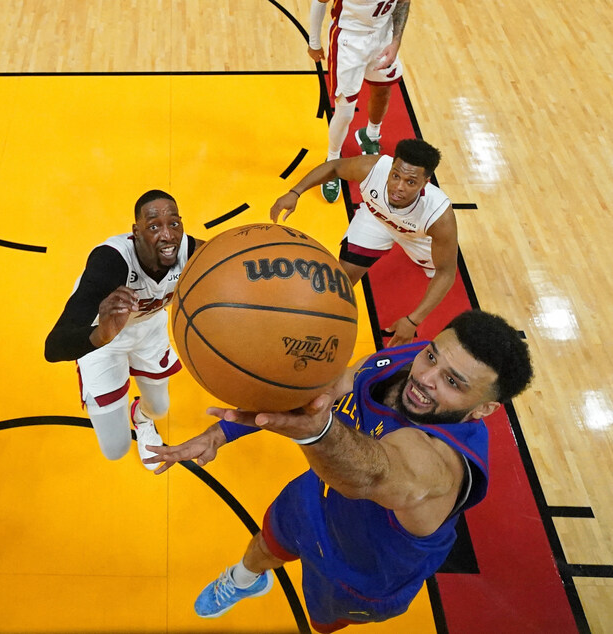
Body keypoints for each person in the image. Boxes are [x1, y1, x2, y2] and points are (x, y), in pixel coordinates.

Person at [145, 310, 533, 631]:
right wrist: (223, 431)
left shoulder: (444, 466)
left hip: (360, 568)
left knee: (319, 622)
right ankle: (244, 581)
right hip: (312, 501)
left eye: (452, 382)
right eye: (432, 356)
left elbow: (374, 475)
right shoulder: (409, 361)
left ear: (483, 409)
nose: (425, 378)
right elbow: (336, 385)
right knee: (265, 543)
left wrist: (317, 432)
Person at [44, 190, 204, 470]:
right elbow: (53, 347)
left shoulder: (191, 250)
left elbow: (239, 260)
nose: (167, 236)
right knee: (115, 449)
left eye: (174, 223)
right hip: (100, 340)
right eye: (154, 226)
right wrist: (100, 335)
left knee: (158, 409)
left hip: (148, 330)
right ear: (136, 231)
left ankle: (140, 417)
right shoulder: (110, 262)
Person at [271, 138, 455, 347]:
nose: (398, 187)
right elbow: (334, 167)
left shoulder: (438, 215)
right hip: (376, 220)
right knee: (340, 282)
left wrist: (413, 320)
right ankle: (317, 329)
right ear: (391, 167)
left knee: (435, 269)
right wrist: (295, 192)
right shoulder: (372, 168)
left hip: (417, 237)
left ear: (426, 181)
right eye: (395, 176)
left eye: (410, 182)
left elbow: (446, 272)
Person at [307, 0, 411, 203]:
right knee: (345, 111)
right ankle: (332, 161)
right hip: (349, 40)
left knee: (382, 92)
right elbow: (319, 2)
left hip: (383, 35)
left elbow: (403, 2)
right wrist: (314, 43)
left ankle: (370, 135)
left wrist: (396, 40)